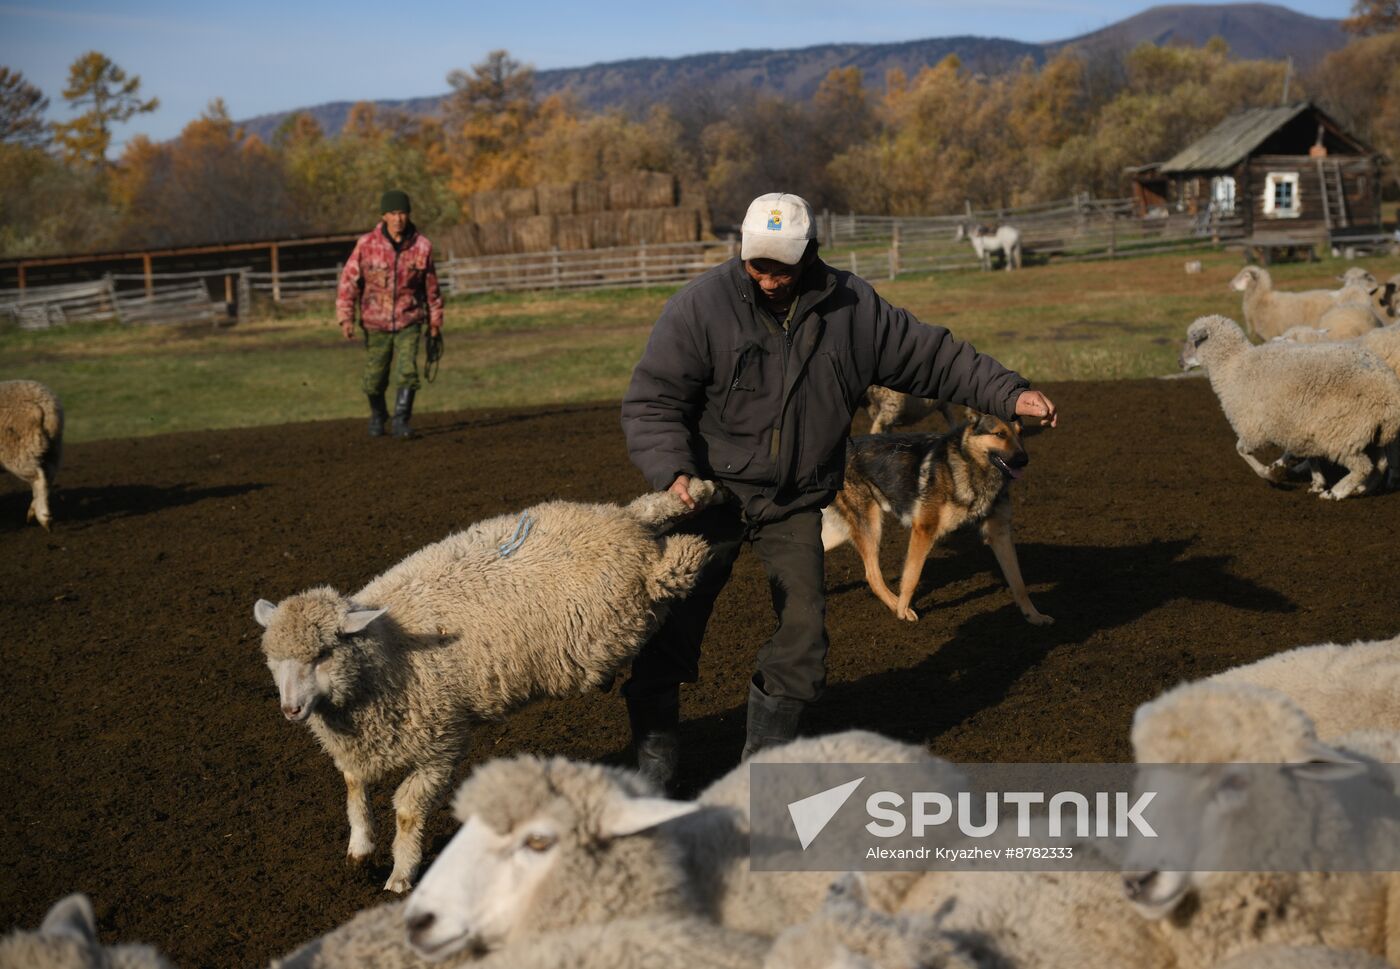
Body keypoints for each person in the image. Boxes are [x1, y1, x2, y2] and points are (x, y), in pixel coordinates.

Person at [619, 192, 1058, 785]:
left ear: (810, 252)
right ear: (741, 252)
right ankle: (652, 766)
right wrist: (674, 473)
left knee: (803, 640)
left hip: (796, 499)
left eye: (782, 264)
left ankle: (758, 780)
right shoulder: (701, 308)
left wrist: (1008, 393)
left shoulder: (852, 309)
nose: (769, 277)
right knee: (667, 624)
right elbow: (653, 401)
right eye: (757, 263)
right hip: (707, 493)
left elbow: (934, 356)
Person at [336, 189, 444, 438]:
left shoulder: (422, 246)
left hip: (410, 320)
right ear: (384, 215)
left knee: (408, 370)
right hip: (375, 322)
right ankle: (378, 415)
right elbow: (348, 282)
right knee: (374, 377)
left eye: (402, 213)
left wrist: (435, 322)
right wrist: (345, 317)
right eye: (393, 213)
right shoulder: (366, 245)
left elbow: (432, 289)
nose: (398, 219)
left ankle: (401, 420)